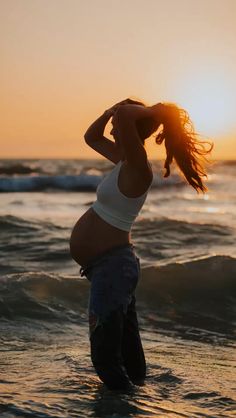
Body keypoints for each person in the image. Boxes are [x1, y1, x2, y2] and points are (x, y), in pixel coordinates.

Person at [70, 98, 212, 391]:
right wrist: (109, 110)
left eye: (116, 127)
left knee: (105, 358)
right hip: (111, 270)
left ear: (131, 130)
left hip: (113, 268)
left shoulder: (137, 164)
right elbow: (90, 137)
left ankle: (122, 408)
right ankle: (139, 402)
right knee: (128, 356)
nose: (112, 131)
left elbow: (124, 117)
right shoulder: (125, 162)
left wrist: (142, 111)